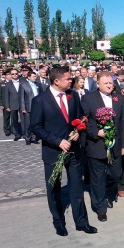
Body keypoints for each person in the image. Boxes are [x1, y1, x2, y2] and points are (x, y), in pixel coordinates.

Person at [30, 66, 97, 236]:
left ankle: (81, 222)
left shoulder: (72, 95)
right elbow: (36, 127)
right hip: (53, 152)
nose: (71, 81)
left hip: (74, 151)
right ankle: (58, 221)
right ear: (56, 81)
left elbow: (81, 117)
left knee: (77, 187)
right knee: (54, 188)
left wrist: (78, 130)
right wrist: (57, 141)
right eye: (68, 79)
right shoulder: (40, 100)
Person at [81, 71, 124, 222]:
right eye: (105, 83)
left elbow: (123, 123)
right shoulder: (88, 98)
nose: (109, 85)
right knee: (97, 178)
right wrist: (96, 132)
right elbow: (84, 121)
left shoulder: (118, 98)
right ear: (98, 84)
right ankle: (100, 207)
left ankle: (109, 194)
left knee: (115, 174)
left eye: (110, 83)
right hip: (97, 145)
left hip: (115, 145)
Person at [19, 71, 41, 145]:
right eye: (33, 76)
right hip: (28, 107)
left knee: (36, 124)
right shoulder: (24, 85)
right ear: (28, 77)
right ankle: (27, 138)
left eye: (35, 76)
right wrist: (23, 108)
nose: (35, 78)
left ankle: (34, 137)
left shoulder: (37, 84)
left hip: (37, 107)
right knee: (28, 124)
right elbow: (21, 97)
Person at [4, 69, 22, 141]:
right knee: (14, 120)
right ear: (10, 75)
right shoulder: (8, 84)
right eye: (13, 74)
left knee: (23, 120)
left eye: (16, 73)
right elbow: (6, 96)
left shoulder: (22, 82)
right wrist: (7, 106)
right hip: (12, 104)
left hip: (22, 104)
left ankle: (24, 133)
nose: (15, 75)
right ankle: (16, 134)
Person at [0, 69, 12, 136]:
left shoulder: (14, 82)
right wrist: (0, 104)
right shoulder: (2, 83)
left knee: (14, 117)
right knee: (6, 117)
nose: (9, 76)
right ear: (5, 76)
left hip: (13, 102)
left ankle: (14, 129)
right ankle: (7, 130)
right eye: (8, 75)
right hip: (5, 103)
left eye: (10, 74)